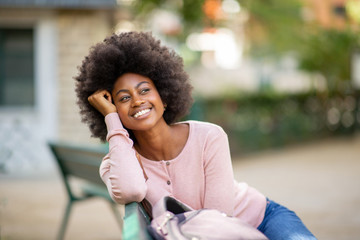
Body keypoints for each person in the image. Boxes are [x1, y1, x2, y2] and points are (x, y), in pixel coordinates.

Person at [75, 31, 317, 240]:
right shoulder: (116, 164)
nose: (138, 101)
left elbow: (220, 222)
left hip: (262, 218)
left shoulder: (209, 136)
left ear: (165, 95)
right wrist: (111, 121)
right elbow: (132, 191)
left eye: (145, 90)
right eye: (124, 98)